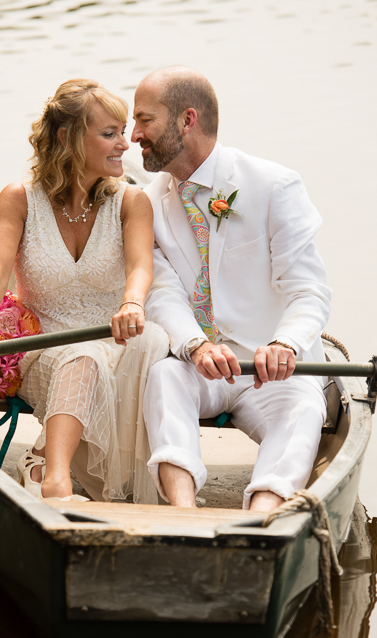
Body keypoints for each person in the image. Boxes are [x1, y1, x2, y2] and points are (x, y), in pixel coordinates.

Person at [131, 67, 332, 513]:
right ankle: (185, 513)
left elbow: (309, 291)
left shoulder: (274, 185)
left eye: (144, 120)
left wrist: (285, 343)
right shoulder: (147, 203)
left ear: (187, 120)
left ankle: (262, 516)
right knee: (164, 375)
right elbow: (162, 293)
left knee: (303, 405)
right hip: (206, 365)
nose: (133, 135)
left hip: (273, 372)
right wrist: (196, 346)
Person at [0, 79, 169, 503]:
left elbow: (140, 267)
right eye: (110, 133)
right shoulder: (18, 200)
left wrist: (131, 302)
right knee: (83, 355)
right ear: (67, 137)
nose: (124, 144)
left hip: (117, 340)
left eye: (124, 131)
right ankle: (56, 482)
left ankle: (40, 458)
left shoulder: (131, 202)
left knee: (152, 339)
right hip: (44, 349)